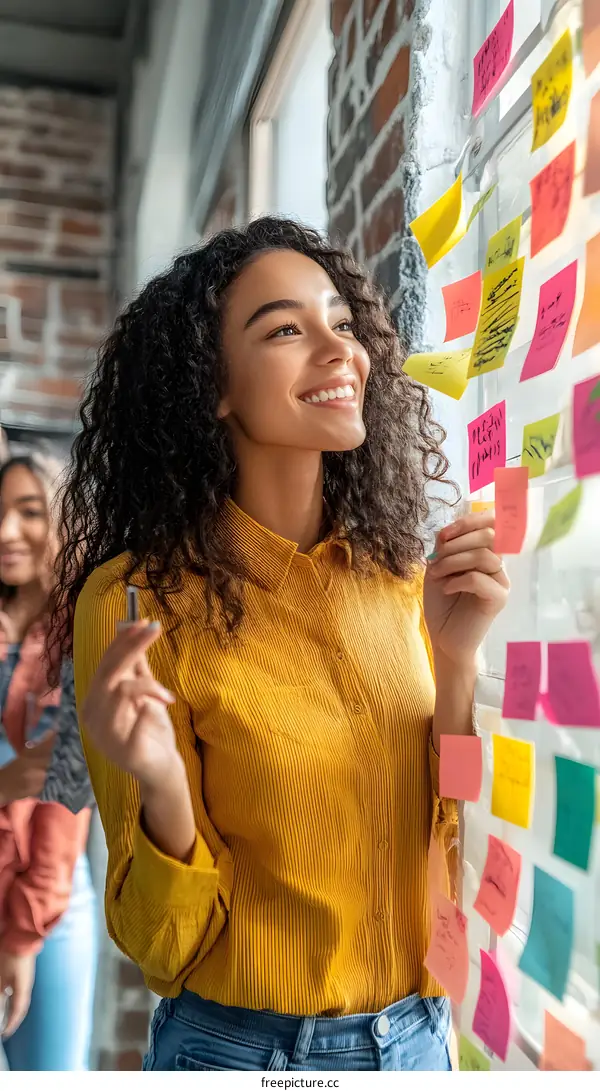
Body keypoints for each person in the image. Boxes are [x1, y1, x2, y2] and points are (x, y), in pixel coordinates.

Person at [55, 217, 508, 1072]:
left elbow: (454, 847)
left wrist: (457, 666)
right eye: (287, 329)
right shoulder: (137, 600)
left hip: (418, 1042)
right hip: (242, 1054)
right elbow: (163, 948)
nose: (339, 350)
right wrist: (161, 788)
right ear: (213, 386)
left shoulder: (402, 579)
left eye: (342, 322)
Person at [0, 452, 97, 1071]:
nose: (7, 531)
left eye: (29, 511)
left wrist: (24, 933)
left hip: (47, 903)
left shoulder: (81, 629)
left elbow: (66, 794)